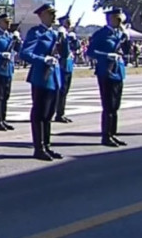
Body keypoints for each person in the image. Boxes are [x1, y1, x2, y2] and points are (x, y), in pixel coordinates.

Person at [20, 3, 63, 161]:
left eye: (54, 13)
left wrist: (65, 40)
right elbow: (25, 53)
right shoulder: (36, 32)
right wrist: (43, 59)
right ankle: (39, 148)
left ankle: (47, 146)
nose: (54, 16)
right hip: (41, 77)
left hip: (54, 77)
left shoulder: (55, 33)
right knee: (40, 113)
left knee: (49, 114)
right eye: (50, 13)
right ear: (42, 15)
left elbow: (64, 54)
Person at [86, 8, 128, 147]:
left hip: (118, 71)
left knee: (115, 106)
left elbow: (126, 51)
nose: (120, 21)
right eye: (118, 18)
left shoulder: (120, 33)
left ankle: (113, 133)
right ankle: (106, 135)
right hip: (106, 71)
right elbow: (90, 52)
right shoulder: (101, 34)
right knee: (108, 105)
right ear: (110, 19)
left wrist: (126, 38)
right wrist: (106, 55)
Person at [53, 13, 80, 123]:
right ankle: (58, 113)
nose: (69, 23)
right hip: (62, 66)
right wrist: (64, 37)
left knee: (65, 91)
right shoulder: (60, 34)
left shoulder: (68, 35)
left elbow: (75, 47)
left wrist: (74, 39)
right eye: (67, 21)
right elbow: (62, 49)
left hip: (68, 66)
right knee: (61, 90)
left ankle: (61, 113)